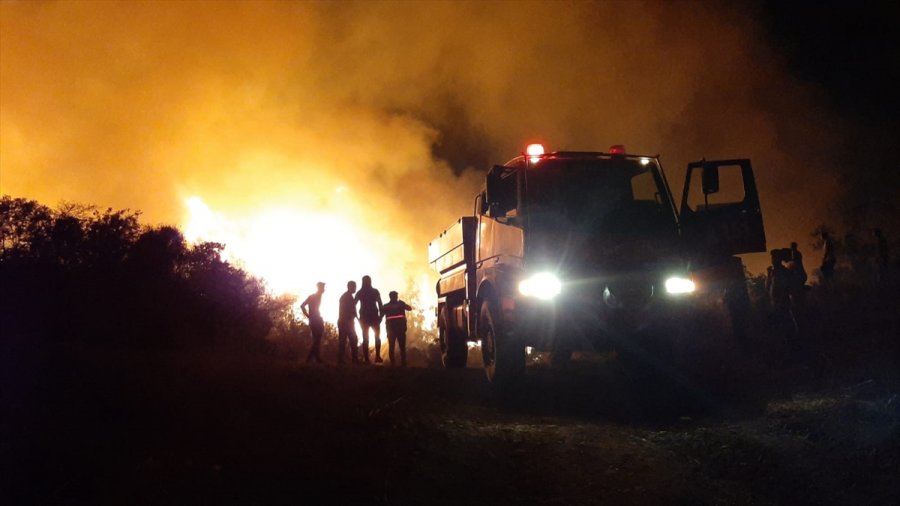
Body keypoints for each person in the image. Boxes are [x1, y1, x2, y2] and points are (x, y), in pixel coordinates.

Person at [766, 248, 798, 347]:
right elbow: (768, 288)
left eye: (774, 257)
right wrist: (768, 275)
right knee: (780, 328)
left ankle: (793, 347)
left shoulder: (784, 272)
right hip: (775, 304)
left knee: (787, 326)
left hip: (782, 304)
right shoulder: (772, 272)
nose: (772, 260)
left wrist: (781, 302)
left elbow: (786, 288)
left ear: (779, 259)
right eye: (772, 257)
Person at [355, 275, 383, 364]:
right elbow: (380, 303)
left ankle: (370, 358)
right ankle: (375, 357)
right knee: (374, 337)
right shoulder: (374, 291)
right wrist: (381, 316)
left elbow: (353, 305)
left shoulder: (360, 292)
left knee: (368, 338)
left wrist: (357, 317)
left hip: (366, 317)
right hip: (372, 317)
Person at [382, 291, 413, 367]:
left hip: (391, 329)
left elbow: (381, 315)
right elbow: (410, 308)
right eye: (395, 295)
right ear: (395, 296)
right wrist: (403, 303)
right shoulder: (401, 304)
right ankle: (403, 363)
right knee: (402, 347)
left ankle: (393, 364)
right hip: (400, 329)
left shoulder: (386, 306)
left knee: (391, 346)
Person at [300, 282, 326, 364]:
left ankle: (315, 358)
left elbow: (302, 306)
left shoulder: (315, 296)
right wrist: (308, 316)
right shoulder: (314, 296)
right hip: (315, 320)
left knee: (317, 340)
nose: (324, 289)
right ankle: (310, 359)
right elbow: (302, 306)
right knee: (316, 340)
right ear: (319, 288)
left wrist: (309, 316)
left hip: (315, 319)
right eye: (323, 287)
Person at [337, 280, 360, 364]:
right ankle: (353, 360)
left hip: (346, 322)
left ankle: (343, 360)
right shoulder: (347, 297)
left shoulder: (347, 296)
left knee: (345, 341)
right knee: (351, 340)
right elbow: (350, 310)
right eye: (354, 287)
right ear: (350, 287)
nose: (355, 288)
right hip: (346, 322)